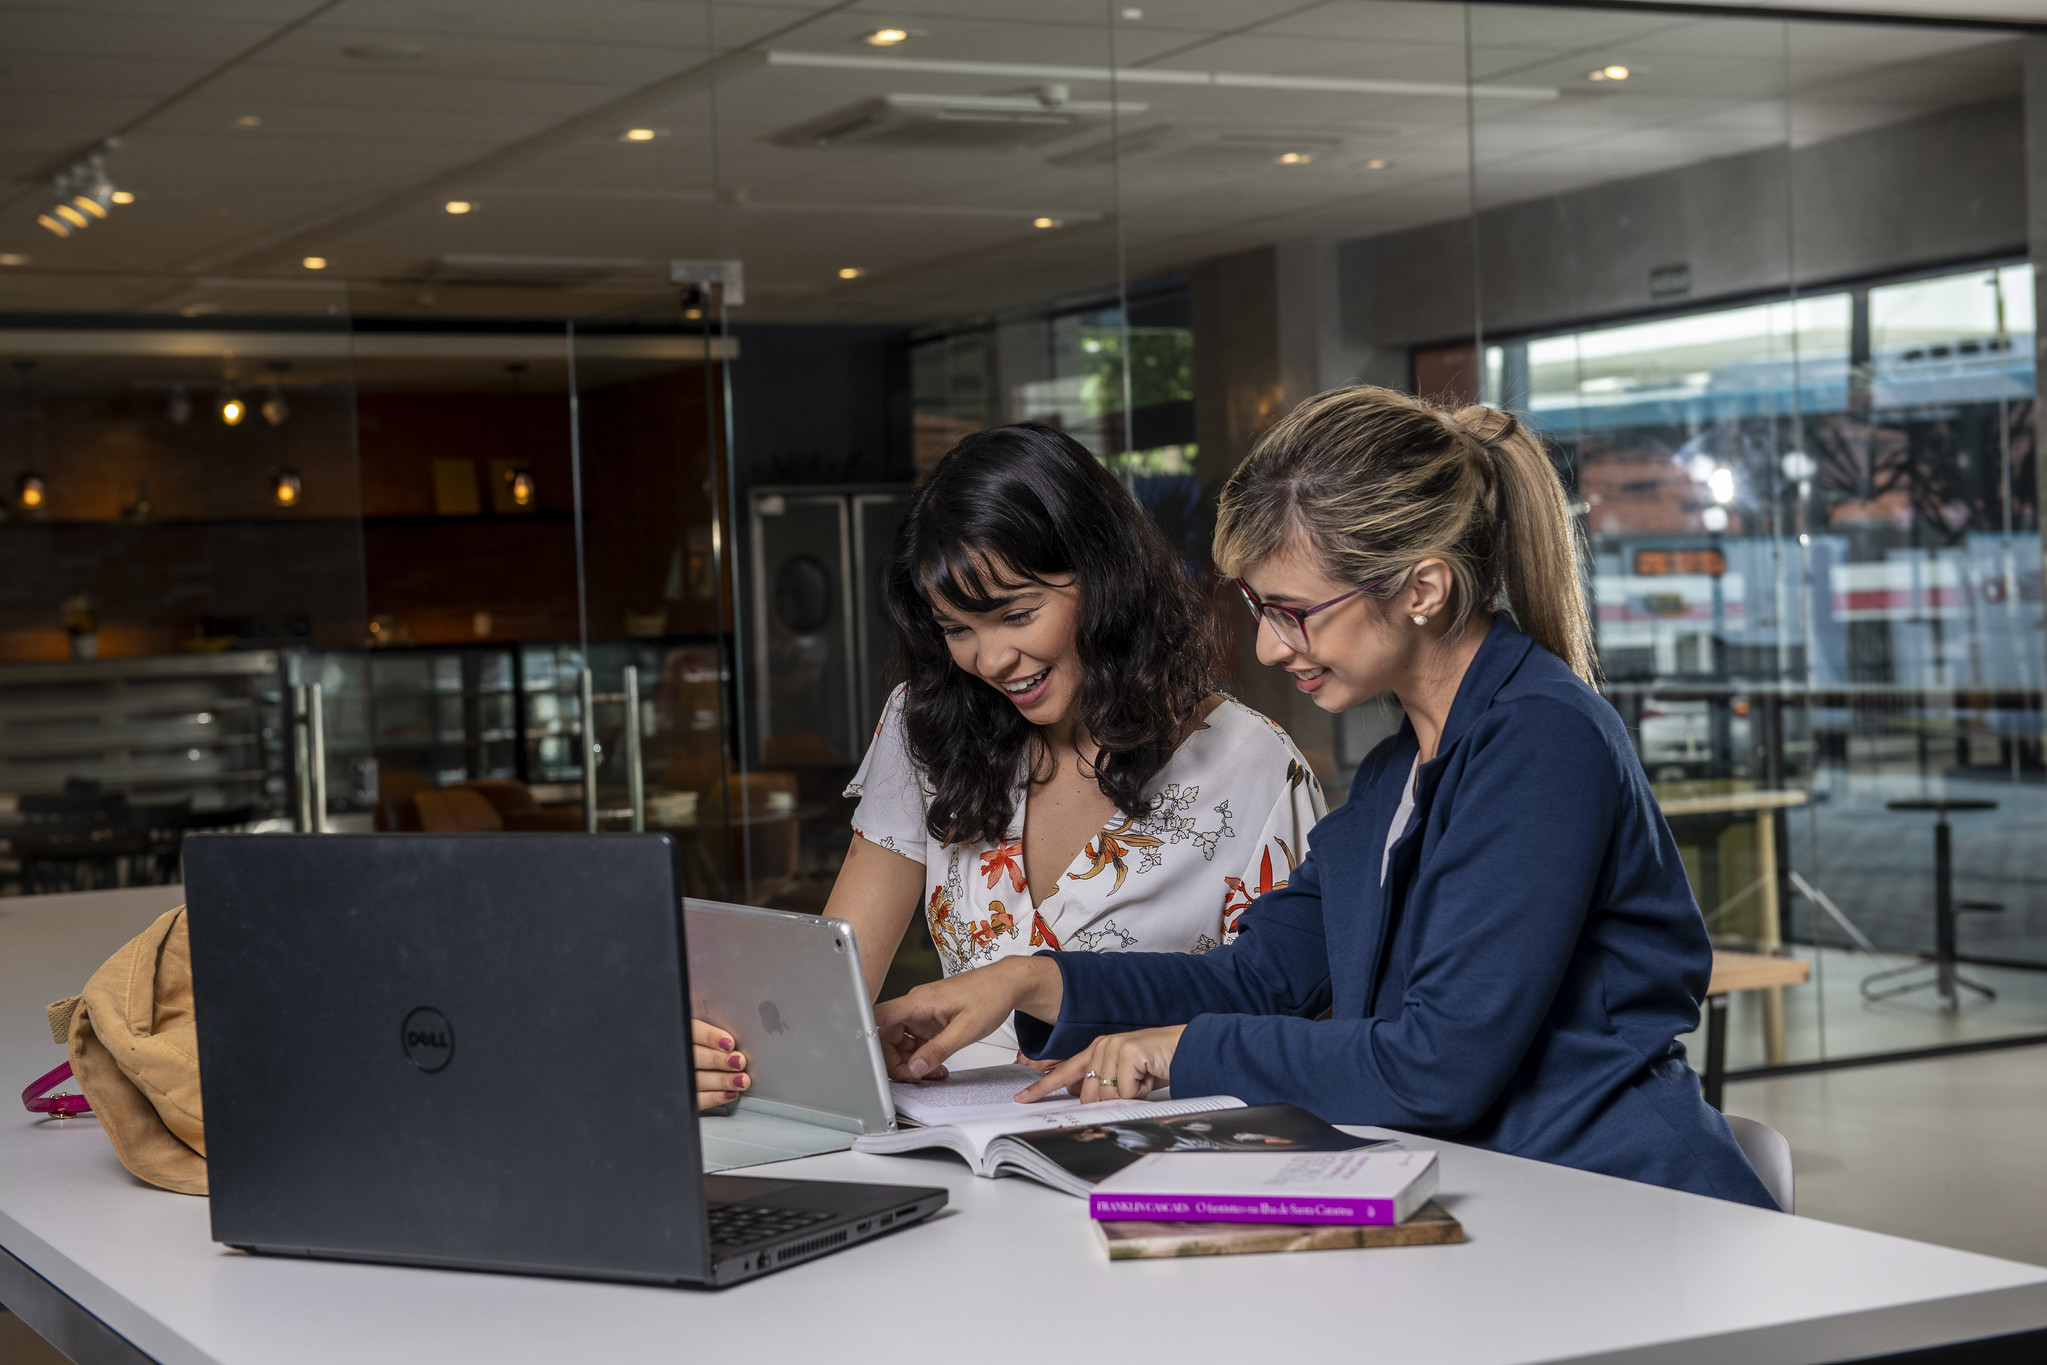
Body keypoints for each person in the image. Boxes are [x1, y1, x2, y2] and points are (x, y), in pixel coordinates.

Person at [871, 387, 1778, 1208]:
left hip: (1624, 1210)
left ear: (1422, 587)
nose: (1268, 647)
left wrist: (1175, 1050)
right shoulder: (1396, 773)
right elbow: (1259, 978)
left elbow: (1435, 1066)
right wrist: (1033, 977)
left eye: (1292, 612)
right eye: (1258, 608)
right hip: (1511, 1197)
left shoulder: (1542, 739)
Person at [691, 422, 1325, 1109]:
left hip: (1151, 1147)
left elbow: (1292, 1022)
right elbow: (821, 996)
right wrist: (721, 1057)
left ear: (1103, 577)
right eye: (957, 629)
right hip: (955, 1144)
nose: (989, 660)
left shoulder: (1254, 767)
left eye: (1016, 615)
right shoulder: (926, 726)